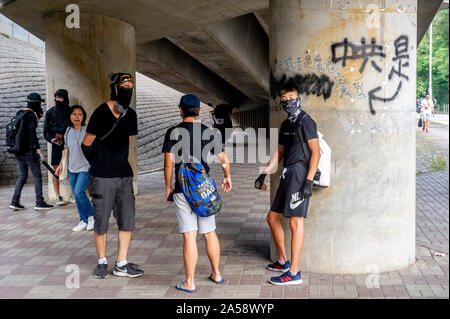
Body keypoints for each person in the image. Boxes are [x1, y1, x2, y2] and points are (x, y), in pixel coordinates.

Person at [162, 94, 232, 293]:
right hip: (203, 188)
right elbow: (223, 157)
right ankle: (217, 273)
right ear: (199, 111)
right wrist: (227, 176)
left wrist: (168, 186)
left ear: (181, 110)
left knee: (189, 236)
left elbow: (168, 163)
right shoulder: (208, 132)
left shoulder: (172, 132)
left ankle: (190, 282)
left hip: (183, 189)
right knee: (210, 233)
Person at [254, 81, 320, 285]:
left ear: (298, 97)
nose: (288, 102)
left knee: (295, 221)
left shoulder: (306, 121)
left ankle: (294, 273)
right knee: (272, 218)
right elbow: (280, 151)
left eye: (291, 98)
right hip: (286, 174)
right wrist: (264, 172)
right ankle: (283, 260)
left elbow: (316, 152)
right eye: (284, 100)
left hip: (300, 175)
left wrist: (308, 180)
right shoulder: (286, 124)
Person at [81, 73, 143, 279]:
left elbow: (127, 144)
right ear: (115, 88)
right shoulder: (100, 112)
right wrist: (99, 164)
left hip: (124, 176)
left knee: (127, 220)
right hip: (102, 177)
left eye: (130, 86)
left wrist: (117, 162)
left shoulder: (131, 115)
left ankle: (122, 263)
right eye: (124, 85)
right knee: (101, 221)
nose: (128, 88)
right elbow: (87, 144)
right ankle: (102, 262)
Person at [9, 93, 54, 211]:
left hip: (18, 150)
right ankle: (40, 202)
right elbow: (32, 135)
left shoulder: (20, 113)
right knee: (37, 176)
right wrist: (38, 150)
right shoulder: (30, 116)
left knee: (22, 176)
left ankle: (14, 201)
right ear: (36, 103)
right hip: (28, 151)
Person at [55, 105, 94, 232]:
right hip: (72, 168)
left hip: (85, 166)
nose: (77, 116)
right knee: (77, 196)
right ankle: (83, 220)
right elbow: (66, 150)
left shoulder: (88, 130)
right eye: (74, 114)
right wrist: (61, 164)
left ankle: (92, 216)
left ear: (83, 117)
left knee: (78, 192)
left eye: (80, 114)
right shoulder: (67, 131)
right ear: (70, 116)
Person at [44, 89, 71, 205]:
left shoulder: (71, 111)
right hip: (57, 145)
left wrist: (64, 135)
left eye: (61, 98)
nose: (59, 100)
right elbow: (46, 132)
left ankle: (75, 194)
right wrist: (54, 139)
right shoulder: (50, 113)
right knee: (56, 170)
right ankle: (58, 196)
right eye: (57, 97)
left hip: (70, 144)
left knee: (72, 168)